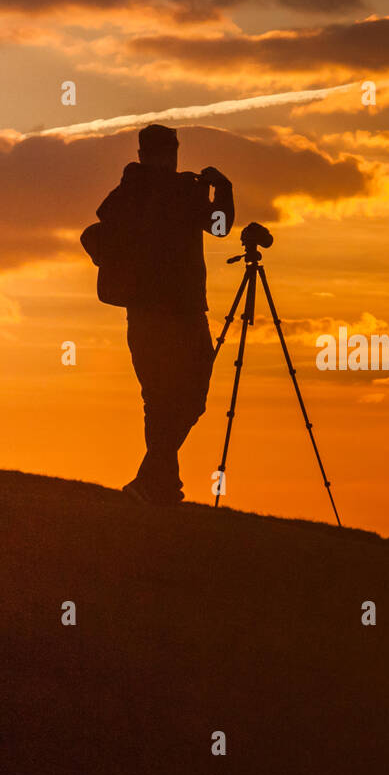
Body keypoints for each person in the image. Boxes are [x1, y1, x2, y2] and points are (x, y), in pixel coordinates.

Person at [83, 124, 234, 505]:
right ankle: (158, 483)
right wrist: (224, 189)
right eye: (169, 150)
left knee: (162, 399)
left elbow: (98, 233)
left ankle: (156, 482)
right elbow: (220, 228)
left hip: (150, 312)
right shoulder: (180, 191)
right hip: (177, 310)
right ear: (163, 152)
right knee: (181, 397)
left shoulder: (127, 193)